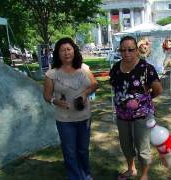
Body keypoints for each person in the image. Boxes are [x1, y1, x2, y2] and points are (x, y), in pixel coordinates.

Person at [43, 37, 98, 180]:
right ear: (57, 53)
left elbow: (94, 85)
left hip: (84, 117)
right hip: (64, 119)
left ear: (74, 50)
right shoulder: (52, 74)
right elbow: (47, 96)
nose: (66, 53)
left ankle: (86, 174)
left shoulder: (84, 68)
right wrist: (56, 101)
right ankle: (75, 177)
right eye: (62, 50)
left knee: (83, 150)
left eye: (69, 49)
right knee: (70, 152)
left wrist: (85, 94)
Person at [109, 36, 163, 180]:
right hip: (122, 115)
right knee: (126, 145)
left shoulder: (146, 68)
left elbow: (157, 89)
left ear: (137, 51)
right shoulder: (115, 68)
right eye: (123, 50)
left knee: (142, 147)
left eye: (130, 49)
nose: (126, 53)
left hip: (142, 115)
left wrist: (144, 101)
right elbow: (115, 87)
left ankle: (144, 175)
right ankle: (131, 169)